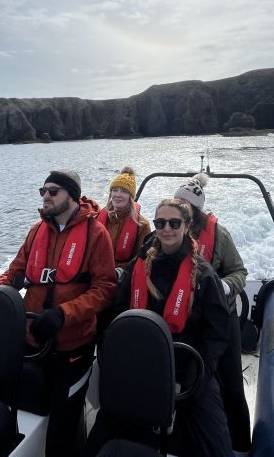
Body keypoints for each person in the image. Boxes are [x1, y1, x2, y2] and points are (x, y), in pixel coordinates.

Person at [89, 198, 233, 457]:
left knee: (215, 444)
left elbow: (217, 332)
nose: (166, 229)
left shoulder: (204, 275)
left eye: (174, 223)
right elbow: (118, 312)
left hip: (188, 366)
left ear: (187, 226)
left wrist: (197, 374)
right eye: (160, 223)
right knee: (99, 435)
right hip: (139, 363)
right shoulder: (139, 265)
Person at [0, 169, 115, 457]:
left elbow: (105, 287)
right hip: (32, 339)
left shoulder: (97, 234)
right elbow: (14, 273)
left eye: (53, 191)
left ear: (71, 195)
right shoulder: (36, 231)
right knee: (3, 398)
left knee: (64, 427)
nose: (46, 196)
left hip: (73, 347)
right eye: (43, 191)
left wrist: (64, 314)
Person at [174, 172, 252, 452]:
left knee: (230, 381)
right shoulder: (169, 231)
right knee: (187, 378)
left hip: (220, 315)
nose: (180, 208)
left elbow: (239, 271)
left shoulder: (218, 234)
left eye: (185, 205)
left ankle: (240, 443)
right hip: (185, 320)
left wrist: (223, 286)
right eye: (177, 202)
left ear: (196, 208)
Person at [96, 166, 151, 280]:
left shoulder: (142, 225)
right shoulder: (99, 217)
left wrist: (119, 271)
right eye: (115, 190)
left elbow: (141, 260)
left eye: (124, 191)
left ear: (131, 197)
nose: (117, 195)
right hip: (95, 273)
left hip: (122, 277)